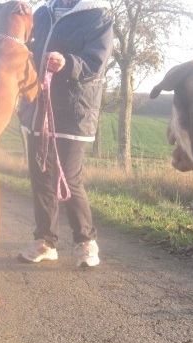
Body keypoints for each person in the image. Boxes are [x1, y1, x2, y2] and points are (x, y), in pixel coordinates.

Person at [17, 0, 113, 266]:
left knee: (68, 179)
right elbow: (25, 49)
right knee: (40, 176)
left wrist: (68, 62)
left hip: (74, 110)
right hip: (38, 108)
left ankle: (85, 242)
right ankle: (46, 242)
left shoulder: (98, 15)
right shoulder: (42, 12)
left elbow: (96, 60)